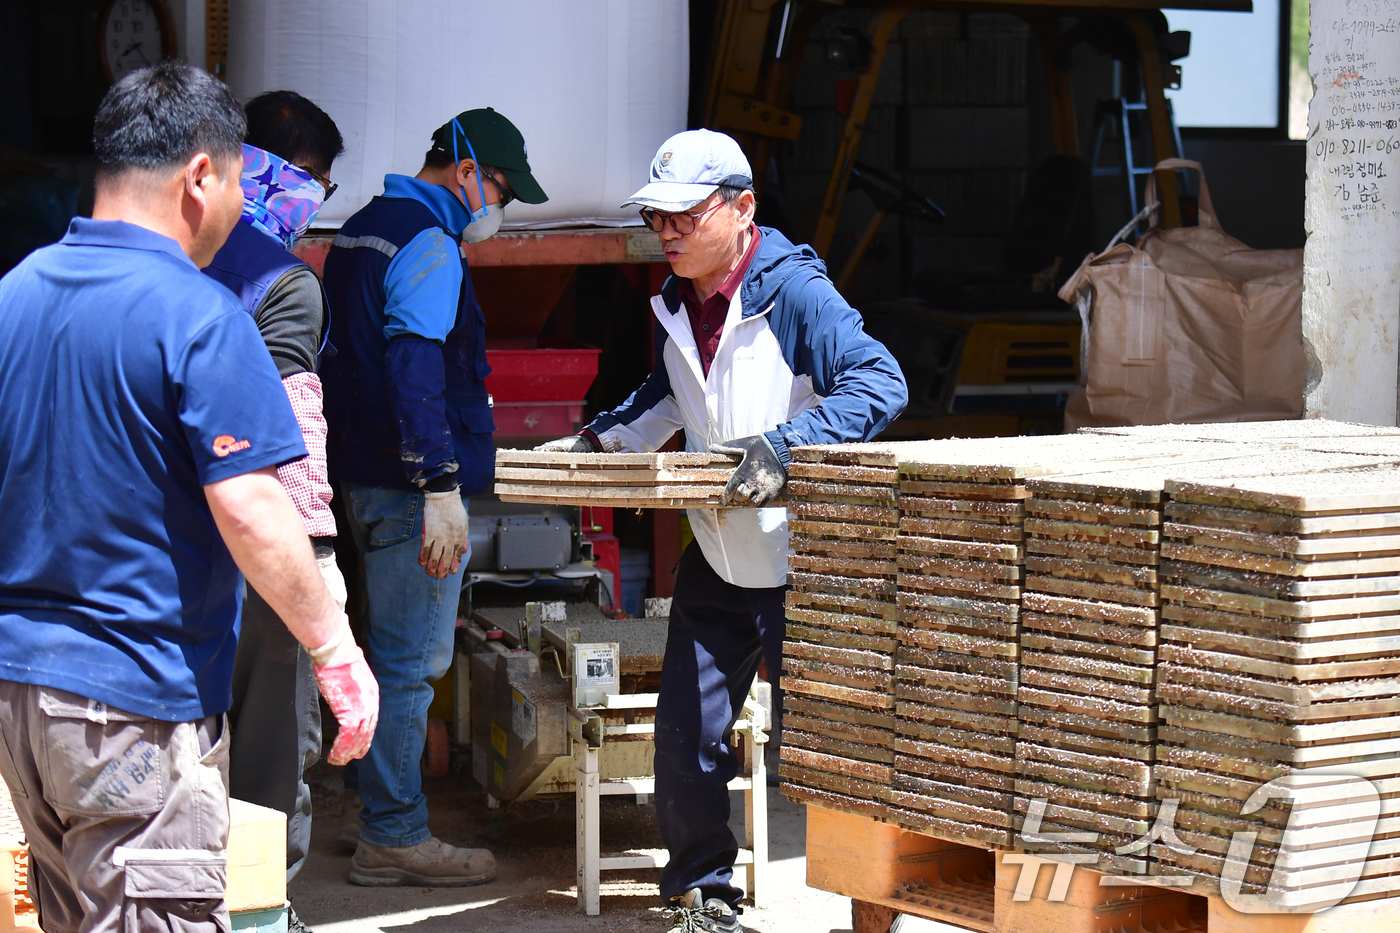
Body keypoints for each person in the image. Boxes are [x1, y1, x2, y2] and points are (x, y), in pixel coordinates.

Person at [0, 61, 378, 933]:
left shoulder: (17, 294)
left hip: (22, 699)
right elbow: (253, 505)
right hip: (128, 705)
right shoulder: (201, 315)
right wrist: (334, 646)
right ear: (200, 175)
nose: (246, 208)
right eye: (242, 180)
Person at [537, 129, 908, 932]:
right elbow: (668, 395)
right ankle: (704, 892)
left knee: (834, 747)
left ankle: (874, 908)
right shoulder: (678, 302)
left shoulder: (794, 295)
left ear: (743, 208)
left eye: (683, 215)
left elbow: (881, 382)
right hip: (718, 554)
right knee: (687, 735)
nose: (666, 232)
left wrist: (785, 448)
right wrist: (595, 444)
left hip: (807, 560)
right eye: (657, 217)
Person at [320, 107, 547, 887]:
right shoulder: (427, 242)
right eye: (501, 190)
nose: (498, 210)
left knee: (375, 648)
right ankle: (394, 833)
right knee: (409, 663)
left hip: (360, 477)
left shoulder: (361, 228)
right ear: (464, 170)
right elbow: (415, 365)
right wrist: (441, 485)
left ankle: (363, 806)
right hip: (407, 488)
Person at [201, 90, 346, 931]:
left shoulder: (152, 255)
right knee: (264, 752)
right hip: (255, 550)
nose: (315, 201)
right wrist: (317, 564)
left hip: (153, 555)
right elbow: (298, 431)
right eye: (316, 181)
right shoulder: (280, 282)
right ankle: (256, 911)